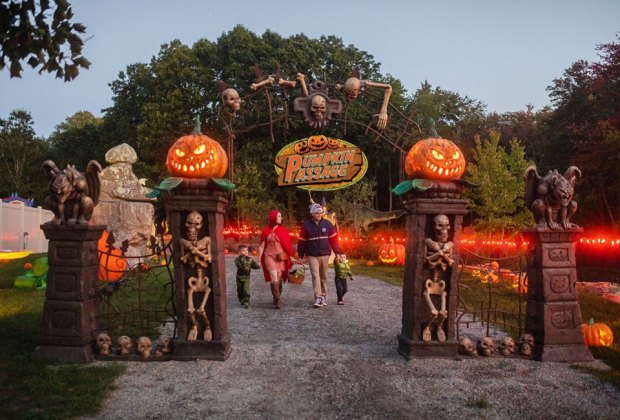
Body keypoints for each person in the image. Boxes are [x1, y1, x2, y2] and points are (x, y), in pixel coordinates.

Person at [298, 202, 342, 308]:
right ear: (312, 213)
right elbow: (302, 241)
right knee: (315, 275)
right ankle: (318, 296)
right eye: (317, 213)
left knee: (324, 276)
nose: (319, 215)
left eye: (320, 213)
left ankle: (324, 295)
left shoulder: (328, 224)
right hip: (312, 255)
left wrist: (338, 253)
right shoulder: (306, 226)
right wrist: (300, 254)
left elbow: (334, 241)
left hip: (324, 254)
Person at [257, 210, 294, 309]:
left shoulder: (283, 230)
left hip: (280, 257)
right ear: (273, 218)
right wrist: (259, 260)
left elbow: (288, 245)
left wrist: (291, 256)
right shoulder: (265, 230)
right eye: (278, 216)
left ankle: (276, 297)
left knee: (278, 277)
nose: (280, 218)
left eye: (280, 216)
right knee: (274, 276)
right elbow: (261, 246)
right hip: (269, 256)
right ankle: (278, 301)